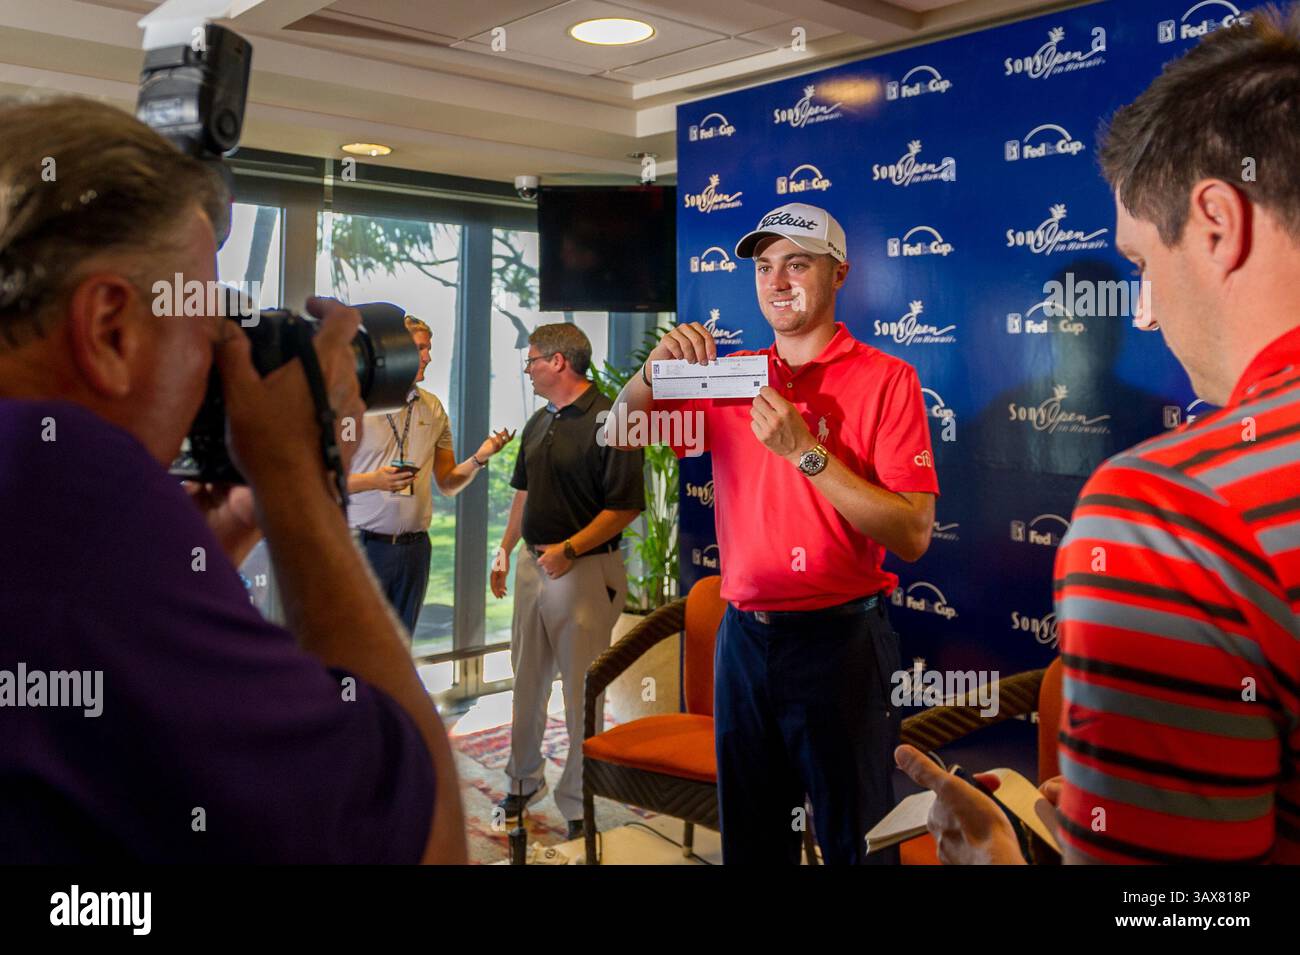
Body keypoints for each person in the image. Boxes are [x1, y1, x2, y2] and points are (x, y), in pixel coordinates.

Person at [0, 95, 465, 862]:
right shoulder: (70, 478)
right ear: (111, 328)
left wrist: (236, 519)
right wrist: (299, 486)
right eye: (208, 325)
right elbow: (427, 837)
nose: (223, 356)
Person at [897, 4, 1300, 865]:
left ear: (1218, 223)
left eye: (1145, 265)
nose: (1145, 314)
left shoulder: (1170, 513)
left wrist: (1005, 858)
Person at [607, 202, 939, 864]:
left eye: (797, 263)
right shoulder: (727, 376)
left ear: (839, 273)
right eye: (764, 266)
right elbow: (619, 431)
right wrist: (650, 374)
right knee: (756, 845)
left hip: (842, 645)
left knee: (861, 845)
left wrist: (806, 453)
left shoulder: (888, 378)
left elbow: (912, 532)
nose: (777, 281)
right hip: (746, 643)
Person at [491, 324, 645, 840]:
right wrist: (505, 549)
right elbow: (523, 493)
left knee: (582, 693)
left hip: (582, 570)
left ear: (559, 362)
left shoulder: (613, 420)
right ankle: (521, 781)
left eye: (531, 360)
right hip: (533, 570)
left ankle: (580, 803)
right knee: (526, 682)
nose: (527, 368)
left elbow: (624, 507)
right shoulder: (538, 421)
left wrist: (569, 549)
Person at [346, 314, 513, 636]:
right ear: (397, 352)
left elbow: (448, 483)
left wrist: (480, 458)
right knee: (359, 646)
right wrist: (374, 481)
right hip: (363, 548)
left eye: (429, 348)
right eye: (421, 348)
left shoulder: (433, 408)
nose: (428, 357)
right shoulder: (356, 406)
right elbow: (325, 481)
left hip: (415, 550)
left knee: (400, 647)